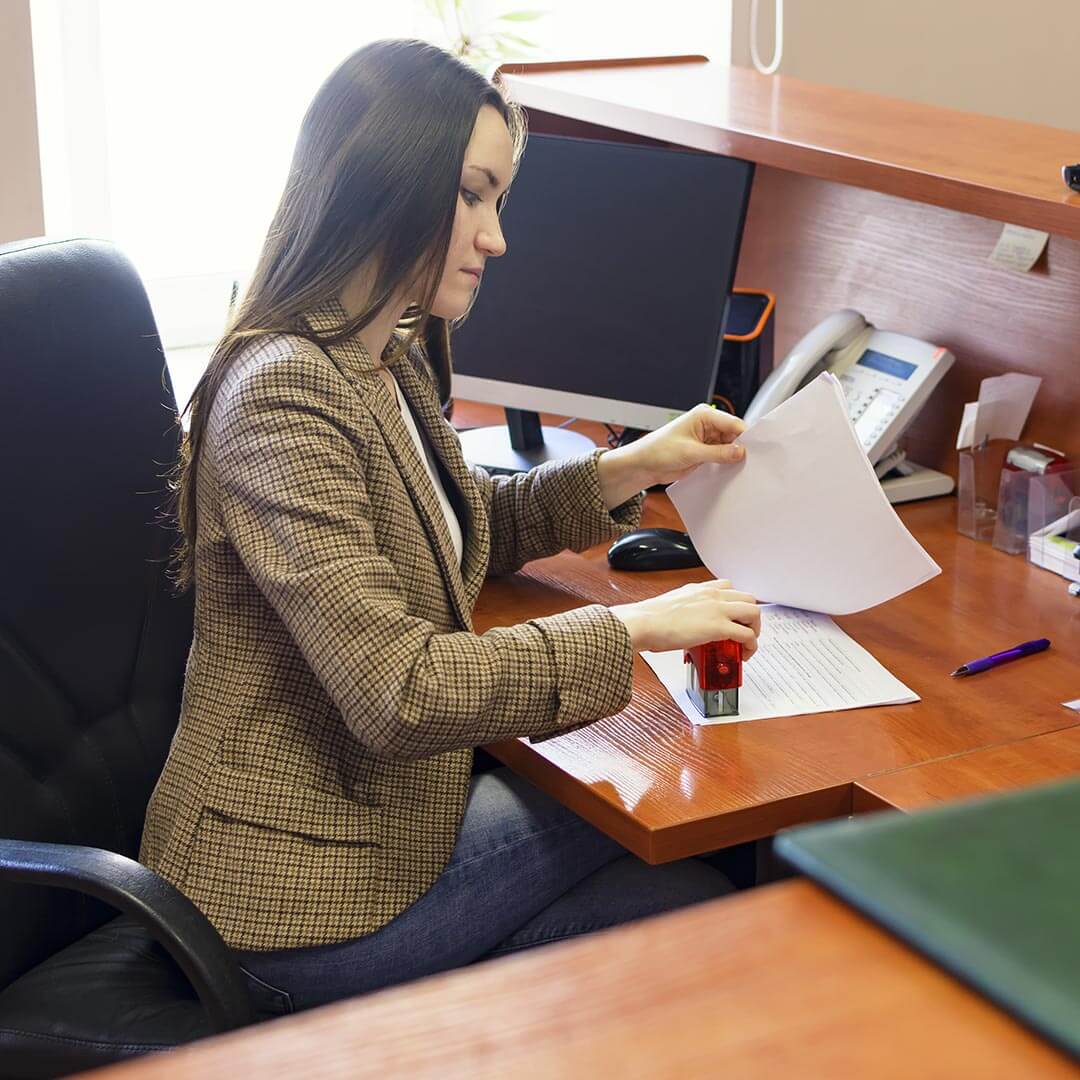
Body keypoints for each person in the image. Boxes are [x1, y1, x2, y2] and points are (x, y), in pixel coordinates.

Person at [141, 38, 760, 1015]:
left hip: (384, 820)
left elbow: (458, 524)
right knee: (680, 807)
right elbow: (399, 692)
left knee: (682, 899)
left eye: (498, 200)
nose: (496, 236)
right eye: (473, 194)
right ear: (387, 183)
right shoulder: (283, 395)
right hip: (289, 902)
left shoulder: (379, 347)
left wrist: (635, 465)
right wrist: (634, 630)